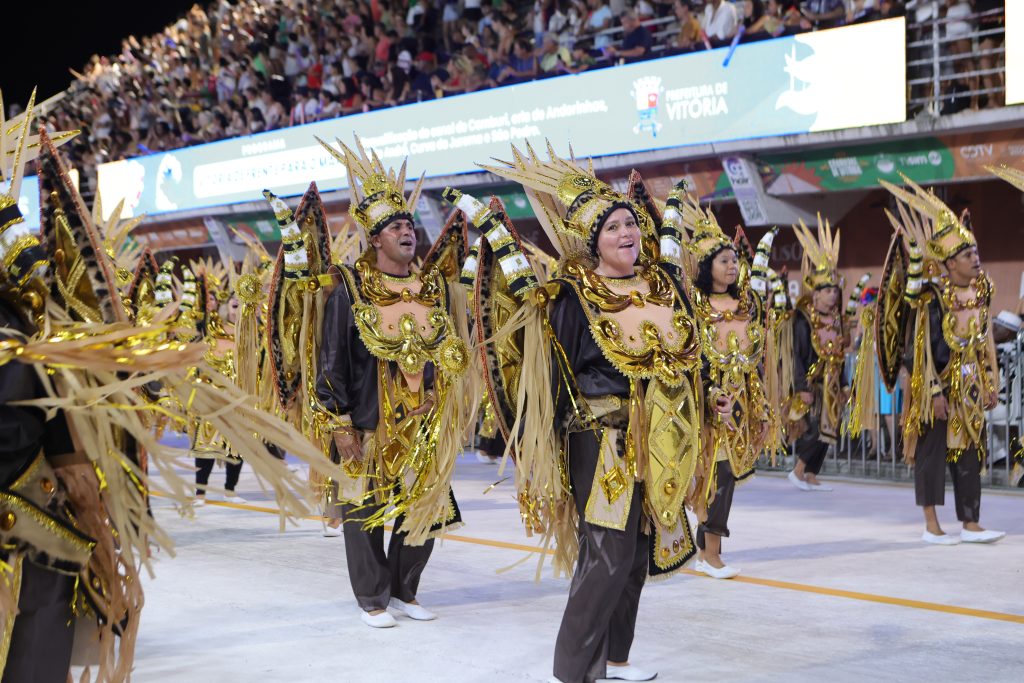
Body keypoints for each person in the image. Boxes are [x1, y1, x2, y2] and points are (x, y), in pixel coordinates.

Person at [446, 148, 702, 683]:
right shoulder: (571, 294)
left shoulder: (661, 286)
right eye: (613, 227)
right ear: (593, 242)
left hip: (661, 436)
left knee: (636, 555)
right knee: (607, 554)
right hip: (602, 440)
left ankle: (616, 658)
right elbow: (551, 375)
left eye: (631, 223)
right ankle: (574, 672)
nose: (628, 232)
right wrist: (548, 452)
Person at [314, 137, 477, 628]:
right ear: (375, 238)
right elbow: (332, 359)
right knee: (364, 511)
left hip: (424, 420)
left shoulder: (431, 289)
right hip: (368, 420)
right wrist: (339, 421)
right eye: (395, 226)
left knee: (422, 508)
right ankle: (373, 597)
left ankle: (406, 589)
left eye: (409, 224)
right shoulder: (349, 285)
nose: (407, 232)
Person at [882, 177, 1006, 545]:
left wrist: (988, 381)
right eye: (968, 255)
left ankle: (970, 522)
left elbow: (984, 342)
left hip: (968, 388)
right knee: (932, 453)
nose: (975, 258)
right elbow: (916, 349)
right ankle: (932, 525)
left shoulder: (980, 292)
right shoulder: (932, 298)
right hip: (933, 387)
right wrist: (934, 390)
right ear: (950, 262)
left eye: (976, 252)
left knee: (969, 452)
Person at [675, 190, 780, 579]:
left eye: (735, 259)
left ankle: (707, 551)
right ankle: (710, 553)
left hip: (740, 406)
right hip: (705, 405)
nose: (733, 265)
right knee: (713, 477)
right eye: (724, 260)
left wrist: (763, 408)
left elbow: (753, 366)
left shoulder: (745, 305)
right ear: (706, 265)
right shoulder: (693, 306)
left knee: (727, 477)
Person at [787, 217, 850, 492]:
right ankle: (798, 470)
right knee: (813, 427)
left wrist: (846, 383)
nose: (832, 296)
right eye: (826, 291)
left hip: (833, 383)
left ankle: (812, 474)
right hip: (812, 384)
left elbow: (840, 353)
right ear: (815, 293)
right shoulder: (802, 319)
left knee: (830, 429)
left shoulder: (836, 320)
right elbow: (796, 356)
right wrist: (800, 387)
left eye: (834, 290)